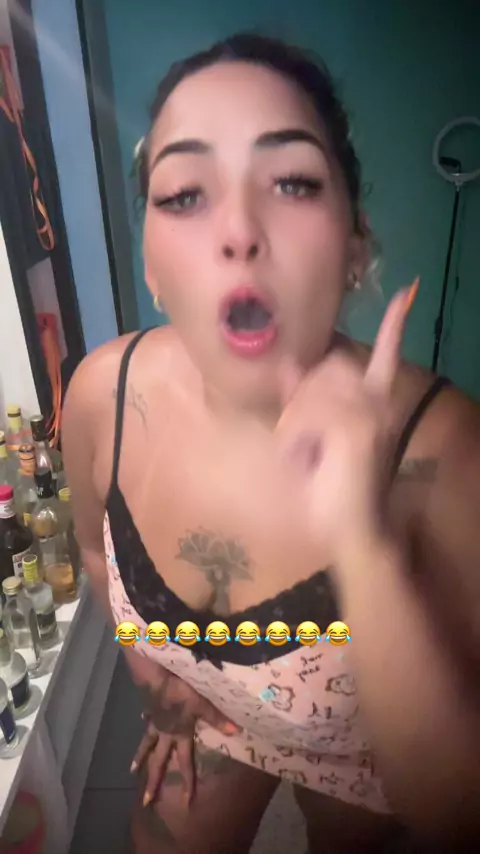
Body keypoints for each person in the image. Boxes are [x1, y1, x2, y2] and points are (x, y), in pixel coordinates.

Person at [62, 33, 480, 854]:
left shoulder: (447, 449)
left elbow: (460, 813)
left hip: (364, 759)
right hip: (212, 725)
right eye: (185, 193)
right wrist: (161, 693)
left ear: (355, 244)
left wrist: (362, 544)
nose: (239, 230)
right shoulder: (102, 397)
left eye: (291, 182)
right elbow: (93, 556)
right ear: (150, 266)